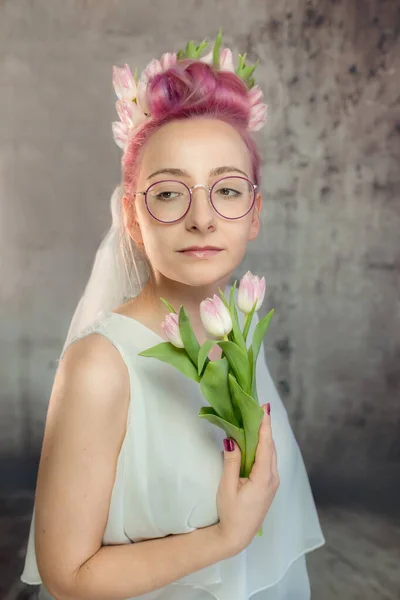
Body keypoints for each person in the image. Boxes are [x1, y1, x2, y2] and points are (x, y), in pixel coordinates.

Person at [20, 32, 325, 600]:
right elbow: (68, 572)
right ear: (134, 217)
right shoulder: (99, 367)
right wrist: (225, 536)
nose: (203, 220)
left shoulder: (235, 333)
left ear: (253, 214)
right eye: (168, 194)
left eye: (227, 191)